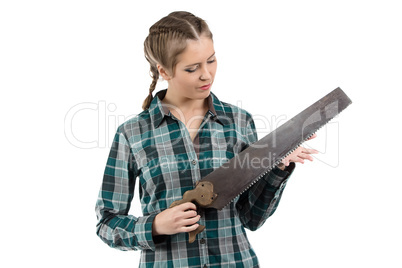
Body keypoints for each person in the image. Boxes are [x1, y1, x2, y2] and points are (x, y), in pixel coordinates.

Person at [95, 11, 318, 267]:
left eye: (211, 61)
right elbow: (107, 223)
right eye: (192, 68)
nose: (207, 75)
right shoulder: (132, 133)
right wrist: (155, 225)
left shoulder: (238, 122)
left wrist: (277, 167)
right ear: (164, 70)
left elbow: (251, 217)